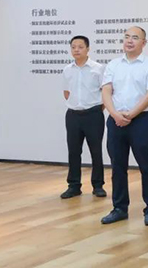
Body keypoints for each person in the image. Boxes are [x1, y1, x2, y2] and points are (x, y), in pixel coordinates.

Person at [100, 26, 148, 226]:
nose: (129, 41)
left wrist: (131, 115)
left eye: (135, 37)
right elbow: (106, 91)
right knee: (117, 166)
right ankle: (119, 208)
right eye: (126, 37)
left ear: (144, 42)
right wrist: (115, 114)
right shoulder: (113, 64)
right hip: (116, 119)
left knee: (146, 165)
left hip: (141, 120)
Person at [60, 35, 106, 199]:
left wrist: (96, 108)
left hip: (93, 114)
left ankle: (98, 185)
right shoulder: (67, 69)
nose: (76, 50)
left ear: (88, 49)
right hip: (73, 115)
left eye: (80, 47)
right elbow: (67, 92)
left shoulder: (98, 68)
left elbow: (105, 92)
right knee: (73, 151)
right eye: (73, 47)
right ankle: (73, 186)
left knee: (96, 151)